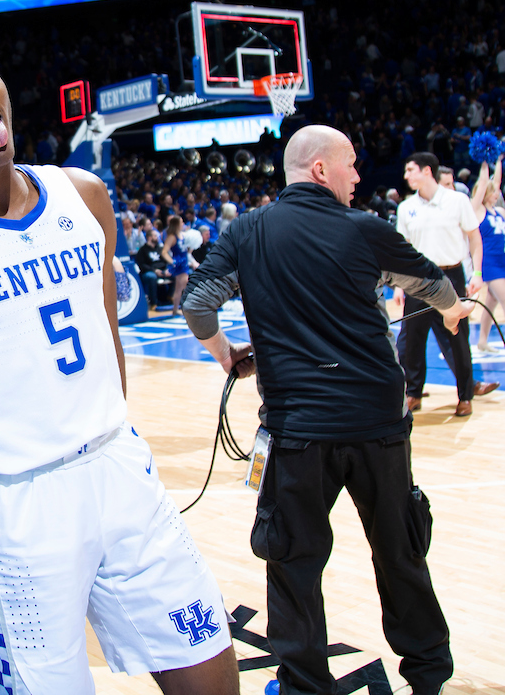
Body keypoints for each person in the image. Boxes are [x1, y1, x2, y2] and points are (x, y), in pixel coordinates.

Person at [0, 4, 238, 695]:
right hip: (12, 511)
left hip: (120, 472)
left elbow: (106, 340)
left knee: (211, 675)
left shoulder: (83, 195)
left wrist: (115, 441)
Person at [182, 125, 475, 695]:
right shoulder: (367, 230)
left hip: (298, 436)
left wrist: (226, 355)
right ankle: (429, 676)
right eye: (351, 164)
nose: (359, 175)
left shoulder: (246, 232)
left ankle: (303, 686)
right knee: (401, 553)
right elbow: (435, 287)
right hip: (380, 431)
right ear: (320, 169)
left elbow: (198, 304)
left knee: (293, 565)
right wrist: (454, 311)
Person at [395, 152, 497, 416]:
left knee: (457, 338)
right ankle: (413, 393)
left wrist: (476, 274)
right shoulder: (406, 207)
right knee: (413, 340)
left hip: (450, 276)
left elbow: (475, 239)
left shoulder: (457, 201)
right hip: (417, 278)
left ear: (427, 171)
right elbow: (401, 249)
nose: (406, 176)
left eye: (410, 170)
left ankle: (465, 395)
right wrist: (397, 285)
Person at [471, 157, 505, 352]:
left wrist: (499, 160)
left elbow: (497, 181)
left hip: (502, 259)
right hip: (490, 263)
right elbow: (485, 183)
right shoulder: (478, 211)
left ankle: (482, 341)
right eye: (492, 192)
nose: (496, 193)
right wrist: (485, 163)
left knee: (491, 302)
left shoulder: (499, 211)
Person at [161, 214, 192, 316]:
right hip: (179, 264)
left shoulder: (183, 235)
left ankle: (176, 309)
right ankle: (181, 308)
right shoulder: (172, 236)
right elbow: (164, 252)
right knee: (183, 287)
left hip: (185, 262)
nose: (183, 224)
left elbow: (186, 250)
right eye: (181, 222)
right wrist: (172, 262)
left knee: (180, 287)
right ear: (177, 224)